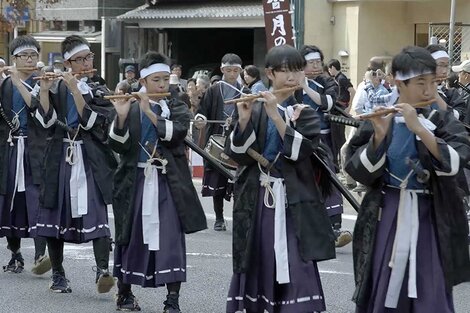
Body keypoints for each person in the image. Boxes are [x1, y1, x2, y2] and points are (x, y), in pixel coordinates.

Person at [345, 46, 470, 313]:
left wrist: (420, 129)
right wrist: (378, 137)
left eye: (433, 83)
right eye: (420, 83)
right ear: (399, 83)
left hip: (431, 214)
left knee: (430, 283)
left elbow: (459, 163)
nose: (428, 90)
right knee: (385, 277)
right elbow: (356, 170)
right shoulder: (381, 116)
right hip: (387, 211)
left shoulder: (442, 118)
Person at [225, 44, 335, 313]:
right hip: (259, 195)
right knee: (257, 252)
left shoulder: (305, 111)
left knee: (296, 256)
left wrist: (276, 114)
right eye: (286, 71)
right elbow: (237, 154)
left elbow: (302, 151)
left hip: (293, 196)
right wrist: (242, 120)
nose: (293, 77)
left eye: (298, 70)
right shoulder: (253, 106)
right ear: (270, 73)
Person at [108, 51, 207, 312]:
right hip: (135, 181)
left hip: (167, 181)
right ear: (143, 82)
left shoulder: (176, 105)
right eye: (156, 80)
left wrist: (149, 111)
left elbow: (177, 135)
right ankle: (124, 294)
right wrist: (120, 116)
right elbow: (118, 145)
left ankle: (172, 300)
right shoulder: (128, 106)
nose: (163, 85)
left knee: (171, 238)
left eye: (165, 79)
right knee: (129, 235)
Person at [33, 35, 116, 294]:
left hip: (89, 158)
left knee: (96, 211)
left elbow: (93, 122)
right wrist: (45, 89)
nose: (84, 63)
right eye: (78, 59)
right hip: (59, 156)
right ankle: (58, 275)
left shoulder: (99, 88)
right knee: (53, 214)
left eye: (88, 57)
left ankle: (103, 270)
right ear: (67, 63)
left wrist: (76, 90)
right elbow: (45, 122)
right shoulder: (55, 87)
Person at [0, 35, 51, 275]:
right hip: (10, 149)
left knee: (36, 200)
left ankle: (41, 254)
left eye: (34, 55)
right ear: (14, 59)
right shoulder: (4, 85)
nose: (30, 60)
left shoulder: (44, 83)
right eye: (25, 56)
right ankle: (15, 253)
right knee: (11, 202)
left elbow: (46, 119)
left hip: (36, 150)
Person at [299, 45, 351, 248]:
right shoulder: (291, 81)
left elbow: (327, 103)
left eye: (318, 62)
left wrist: (305, 86)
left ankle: (335, 225)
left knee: (328, 178)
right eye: (311, 63)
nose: (316, 66)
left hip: (322, 140)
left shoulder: (327, 81)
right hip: (297, 140)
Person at [194, 53, 249, 231]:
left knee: (238, 181)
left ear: (240, 70)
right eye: (228, 70)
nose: (232, 73)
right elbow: (203, 110)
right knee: (218, 177)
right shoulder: (214, 89)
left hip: (238, 139)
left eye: (235, 70)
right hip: (217, 136)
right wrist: (200, 118)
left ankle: (238, 217)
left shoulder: (246, 91)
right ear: (222, 69)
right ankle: (219, 218)